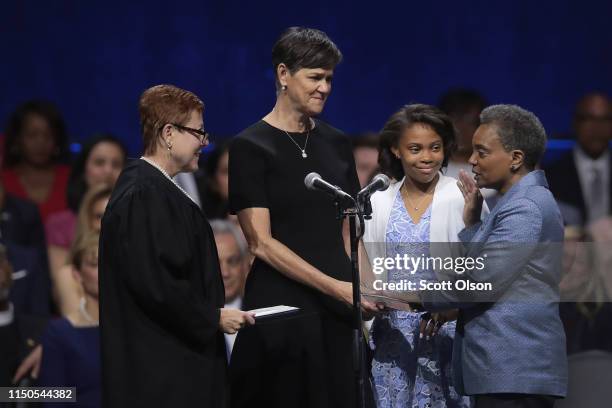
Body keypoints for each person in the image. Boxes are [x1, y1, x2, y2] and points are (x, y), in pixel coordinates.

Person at [228, 27, 377, 408]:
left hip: (339, 310)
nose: (324, 87)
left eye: (329, 78)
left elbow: (349, 231)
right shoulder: (250, 147)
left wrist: (363, 290)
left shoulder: (337, 142)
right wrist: (334, 287)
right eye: (314, 77)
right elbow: (260, 243)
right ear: (283, 75)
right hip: (283, 311)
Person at [99, 84, 254, 408]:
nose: (205, 142)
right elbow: (155, 283)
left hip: (174, 368)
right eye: (198, 132)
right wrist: (212, 317)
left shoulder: (155, 190)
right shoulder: (144, 195)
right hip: (162, 379)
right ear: (169, 133)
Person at [427, 104, 567, 407]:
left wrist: (409, 293)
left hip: (514, 371)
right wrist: (474, 224)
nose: (473, 160)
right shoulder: (518, 201)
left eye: (482, 152)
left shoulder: (525, 206)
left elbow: (482, 283)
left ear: (516, 158)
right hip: (508, 372)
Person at [362, 104, 481, 407]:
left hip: (446, 335)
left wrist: (452, 309)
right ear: (396, 149)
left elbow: (482, 270)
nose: (427, 157)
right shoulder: (378, 199)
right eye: (415, 148)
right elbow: (365, 263)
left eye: (435, 148)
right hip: (393, 338)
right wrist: (370, 298)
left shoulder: (462, 196)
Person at [38, 231, 101, 408]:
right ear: (77, 274)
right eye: (95, 264)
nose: (104, 269)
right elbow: (53, 398)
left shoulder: (132, 326)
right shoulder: (60, 333)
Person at [545, 92, 612, 225]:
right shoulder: (551, 176)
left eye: (604, 119)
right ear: (575, 123)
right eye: (588, 118)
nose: (597, 127)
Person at [1, 100, 70, 222]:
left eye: (48, 135)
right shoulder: (3, 179)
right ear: (17, 139)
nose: (40, 142)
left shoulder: (71, 178)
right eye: (32, 135)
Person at [52, 184, 112, 315]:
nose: (107, 223)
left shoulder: (140, 263)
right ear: (87, 220)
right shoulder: (68, 274)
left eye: (115, 215)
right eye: (100, 216)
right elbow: (78, 330)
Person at [210, 219, 250, 359]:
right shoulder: (195, 319)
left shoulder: (262, 311)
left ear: (245, 264)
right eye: (216, 263)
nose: (225, 273)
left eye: (232, 261)